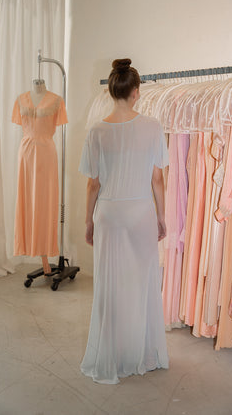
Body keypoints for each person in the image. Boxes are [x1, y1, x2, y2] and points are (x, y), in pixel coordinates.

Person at [79, 58, 169, 384]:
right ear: (135, 91)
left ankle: (112, 354)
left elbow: (93, 183)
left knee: (110, 285)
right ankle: (142, 354)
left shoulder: (97, 131)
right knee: (141, 284)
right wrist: (162, 216)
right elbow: (157, 179)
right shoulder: (153, 127)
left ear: (112, 91)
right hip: (141, 211)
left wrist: (88, 221)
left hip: (109, 214)